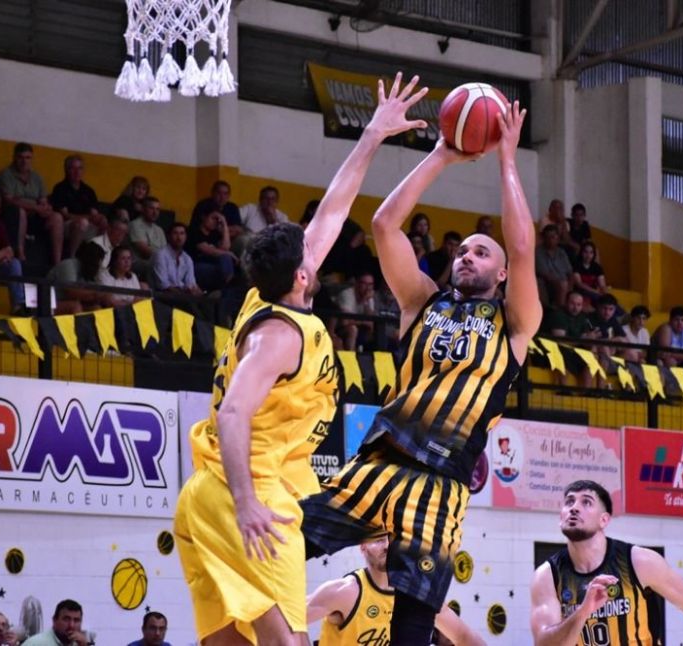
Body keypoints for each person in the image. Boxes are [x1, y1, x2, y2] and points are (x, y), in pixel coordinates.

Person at [173, 72, 428, 646]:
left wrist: (374, 135)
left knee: (229, 643)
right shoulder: (281, 336)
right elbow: (232, 413)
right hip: (249, 497)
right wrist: (246, 504)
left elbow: (333, 211)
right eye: (310, 254)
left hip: (208, 496)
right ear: (303, 276)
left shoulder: (262, 299)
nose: (318, 248)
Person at [300, 100, 541, 646]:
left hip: (440, 483)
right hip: (378, 462)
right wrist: (440, 155)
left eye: (481, 253)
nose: (467, 256)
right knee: (280, 544)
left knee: (413, 625)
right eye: (462, 250)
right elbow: (384, 225)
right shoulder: (421, 301)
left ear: (503, 273)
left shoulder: (515, 324)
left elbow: (524, 246)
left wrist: (507, 158)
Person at [530, 480, 683, 646]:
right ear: (560, 517)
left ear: (603, 520)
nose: (574, 507)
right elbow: (543, 643)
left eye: (586, 502)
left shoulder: (639, 561)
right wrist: (583, 611)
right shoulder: (547, 576)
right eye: (569, 501)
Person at [306, 534, 485, 646]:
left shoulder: (419, 596)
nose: (387, 545)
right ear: (363, 547)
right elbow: (290, 619)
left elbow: (463, 636)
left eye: (392, 539)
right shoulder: (345, 592)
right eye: (379, 539)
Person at [0, 142, 63, 265]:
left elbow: (43, 199)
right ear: (14, 157)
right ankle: (20, 254)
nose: (24, 161)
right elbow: (9, 200)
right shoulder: (5, 174)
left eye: (28, 158)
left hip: (35, 216)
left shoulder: (37, 177)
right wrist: (35, 207)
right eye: (20, 157)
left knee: (57, 217)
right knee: (20, 211)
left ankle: (57, 263)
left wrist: (46, 208)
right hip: (13, 215)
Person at [50, 155, 105, 258]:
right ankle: (72, 257)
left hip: (87, 224)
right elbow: (65, 215)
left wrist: (98, 218)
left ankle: (97, 258)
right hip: (67, 225)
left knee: (105, 222)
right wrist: (86, 218)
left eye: (80, 168)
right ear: (66, 170)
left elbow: (94, 214)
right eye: (73, 168)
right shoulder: (60, 188)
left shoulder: (88, 191)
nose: (77, 172)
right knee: (81, 223)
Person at [543, 290, 595, 388]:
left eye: (579, 305)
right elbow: (560, 341)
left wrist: (591, 340)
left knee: (591, 357)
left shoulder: (583, 318)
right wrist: (582, 339)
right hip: (551, 351)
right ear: (566, 302)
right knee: (563, 352)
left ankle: (587, 391)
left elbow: (585, 339)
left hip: (574, 350)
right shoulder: (558, 315)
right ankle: (563, 389)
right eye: (572, 303)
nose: (575, 308)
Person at [186, 202, 236, 292]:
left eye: (218, 219)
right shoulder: (194, 231)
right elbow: (208, 250)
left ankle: (227, 288)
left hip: (216, 267)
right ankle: (228, 288)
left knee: (225, 259)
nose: (215, 222)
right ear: (203, 217)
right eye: (213, 218)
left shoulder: (215, 233)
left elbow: (226, 247)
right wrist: (229, 254)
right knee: (225, 260)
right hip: (196, 266)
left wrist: (224, 224)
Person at [48, 241, 109, 314]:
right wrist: (95, 294)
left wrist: (103, 295)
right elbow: (72, 292)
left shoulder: (88, 272)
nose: (100, 266)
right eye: (98, 262)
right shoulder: (69, 265)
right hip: (50, 303)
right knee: (75, 306)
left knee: (96, 308)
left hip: (70, 302)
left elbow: (97, 291)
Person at [192, 180, 244, 251]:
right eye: (219, 193)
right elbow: (200, 228)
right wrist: (227, 230)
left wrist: (223, 229)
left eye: (225, 194)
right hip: (205, 242)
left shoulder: (232, 207)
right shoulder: (203, 205)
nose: (222, 197)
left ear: (229, 195)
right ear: (212, 193)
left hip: (226, 241)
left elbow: (239, 230)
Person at [153, 222, 202, 295]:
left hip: (182, 295)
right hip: (162, 295)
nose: (179, 237)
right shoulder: (161, 255)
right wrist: (183, 295)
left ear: (186, 237)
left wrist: (196, 291)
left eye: (182, 233)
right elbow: (163, 285)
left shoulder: (187, 258)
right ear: (168, 236)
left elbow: (191, 283)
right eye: (175, 233)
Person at [334, 272, 377, 352]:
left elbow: (371, 323)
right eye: (364, 284)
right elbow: (345, 322)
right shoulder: (347, 294)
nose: (368, 288)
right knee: (353, 329)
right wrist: (363, 322)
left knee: (374, 332)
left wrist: (365, 302)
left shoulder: (369, 297)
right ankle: (351, 356)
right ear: (357, 283)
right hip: (339, 329)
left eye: (370, 284)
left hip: (359, 329)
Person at [535, 223, 573, 310]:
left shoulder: (561, 252)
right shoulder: (538, 252)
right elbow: (544, 273)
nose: (550, 240)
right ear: (544, 238)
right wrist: (561, 284)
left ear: (558, 238)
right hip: (548, 283)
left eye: (553, 237)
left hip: (564, 282)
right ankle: (559, 310)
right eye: (548, 237)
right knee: (562, 284)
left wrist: (570, 287)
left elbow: (570, 272)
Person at [22, 599, 91, 646]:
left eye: (76, 620)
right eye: (66, 619)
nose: (71, 625)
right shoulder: (35, 643)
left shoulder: (80, 643)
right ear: (54, 620)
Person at [128, 196, 167, 273]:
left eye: (157, 209)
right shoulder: (135, 225)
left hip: (158, 261)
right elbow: (145, 251)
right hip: (138, 262)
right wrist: (165, 261)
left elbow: (165, 251)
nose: (155, 212)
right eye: (151, 208)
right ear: (143, 209)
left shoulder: (159, 230)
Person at [571, 241, 608, 311]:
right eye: (586, 252)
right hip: (580, 292)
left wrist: (605, 293)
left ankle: (622, 314)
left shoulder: (597, 267)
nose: (588, 255)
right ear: (581, 252)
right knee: (600, 300)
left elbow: (602, 285)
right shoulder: (576, 265)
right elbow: (579, 284)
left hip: (594, 293)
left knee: (608, 300)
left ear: (594, 254)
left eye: (591, 252)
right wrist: (595, 291)